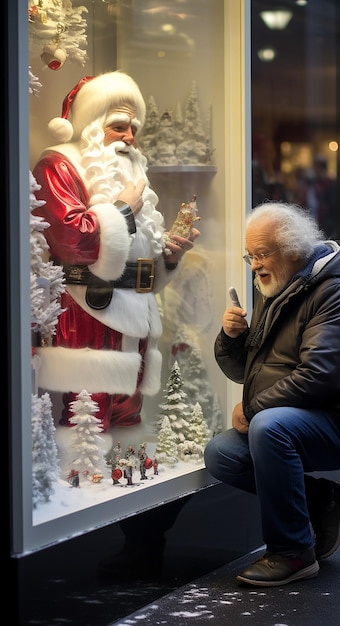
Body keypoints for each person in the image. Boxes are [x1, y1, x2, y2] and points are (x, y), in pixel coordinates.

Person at [204, 201, 340, 587]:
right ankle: (323, 500)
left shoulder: (337, 294)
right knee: (222, 454)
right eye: (250, 255)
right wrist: (231, 338)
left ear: (292, 250)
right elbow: (247, 371)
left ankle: (293, 553)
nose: (254, 264)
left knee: (270, 427)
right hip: (305, 413)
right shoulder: (277, 290)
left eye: (262, 254)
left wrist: (253, 408)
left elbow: (319, 378)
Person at [32, 71, 200, 457]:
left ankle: (126, 472)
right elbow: (75, 240)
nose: (129, 138)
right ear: (92, 126)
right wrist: (122, 208)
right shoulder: (59, 166)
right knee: (88, 415)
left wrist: (169, 258)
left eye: (133, 129)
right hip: (88, 307)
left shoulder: (129, 173)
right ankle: (82, 479)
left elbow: (135, 257)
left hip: (136, 312)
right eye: (119, 127)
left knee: (128, 411)